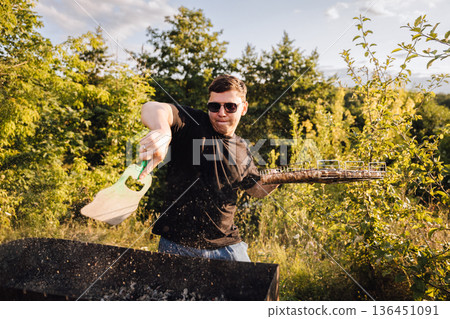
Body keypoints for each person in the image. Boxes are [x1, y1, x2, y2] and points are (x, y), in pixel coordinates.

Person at [138, 74, 278, 262]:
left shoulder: (243, 149)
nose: (221, 112)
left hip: (227, 248)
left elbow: (254, 189)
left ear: (243, 108)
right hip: (177, 246)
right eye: (215, 106)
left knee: (254, 289)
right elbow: (152, 107)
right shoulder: (193, 124)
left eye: (230, 106)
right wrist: (162, 130)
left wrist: (273, 183)